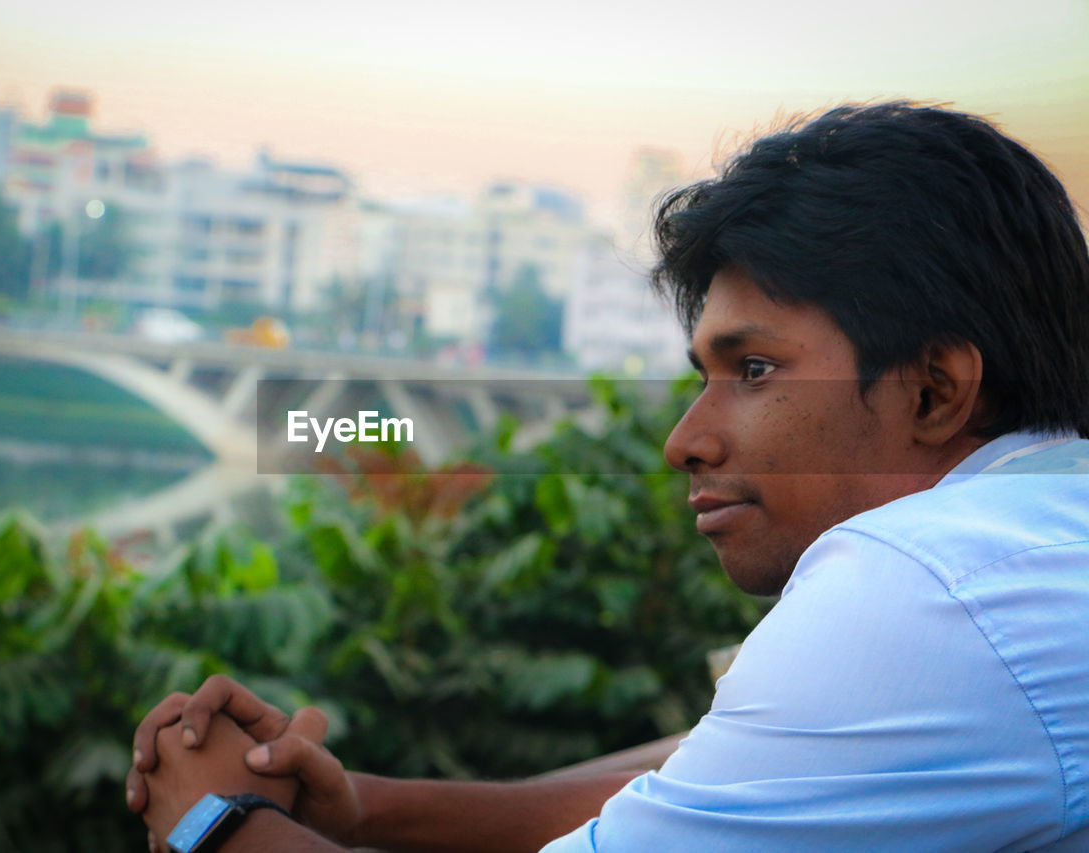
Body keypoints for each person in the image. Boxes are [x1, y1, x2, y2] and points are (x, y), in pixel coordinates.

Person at [125, 102, 1089, 851]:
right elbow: (724, 775)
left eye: (754, 370)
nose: (685, 440)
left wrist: (216, 822)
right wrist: (362, 805)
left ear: (934, 390)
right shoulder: (1036, 538)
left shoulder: (927, 582)